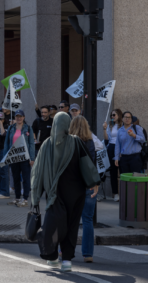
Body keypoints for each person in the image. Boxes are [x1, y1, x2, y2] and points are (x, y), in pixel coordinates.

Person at [31, 112, 97, 272]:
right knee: (72, 226)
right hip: (76, 194)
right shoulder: (76, 142)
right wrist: (95, 183)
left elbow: (37, 172)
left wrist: (35, 196)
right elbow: (87, 166)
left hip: (55, 194)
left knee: (53, 225)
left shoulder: (47, 144)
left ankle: (52, 257)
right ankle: (67, 260)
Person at [69, 116, 99, 263]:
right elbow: (93, 164)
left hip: (72, 185)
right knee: (87, 220)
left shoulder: (69, 142)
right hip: (87, 184)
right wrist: (96, 183)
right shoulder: (90, 142)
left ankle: (65, 250)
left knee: (69, 219)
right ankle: (88, 254)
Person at [3, 109, 35, 207]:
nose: (18, 118)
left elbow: (31, 144)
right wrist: (6, 156)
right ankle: (17, 198)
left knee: (25, 178)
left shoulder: (28, 128)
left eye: (20, 116)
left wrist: (32, 158)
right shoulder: (11, 128)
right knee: (16, 178)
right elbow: (7, 143)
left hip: (25, 157)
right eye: (17, 116)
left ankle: (25, 198)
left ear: (24, 117)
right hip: (14, 157)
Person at [103, 109, 122, 201]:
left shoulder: (122, 126)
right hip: (111, 148)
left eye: (114, 115)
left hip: (121, 149)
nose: (112, 117)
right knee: (113, 172)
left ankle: (124, 193)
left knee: (122, 171)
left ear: (119, 115)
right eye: (111, 115)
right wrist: (104, 129)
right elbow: (106, 139)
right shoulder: (111, 126)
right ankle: (116, 194)